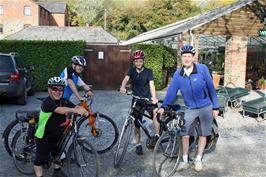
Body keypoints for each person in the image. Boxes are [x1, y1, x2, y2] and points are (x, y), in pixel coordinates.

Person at [157, 44, 219, 172]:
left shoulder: (202, 69)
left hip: (206, 106)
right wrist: (164, 106)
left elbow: (211, 88)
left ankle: (198, 160)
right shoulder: (178, 74)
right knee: (184, 133)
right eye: (184, 56)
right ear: (181, 58)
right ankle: (184, 160)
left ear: (193, 57)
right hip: (190, 108)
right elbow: (172, 91)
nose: (186, 58)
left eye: (189, 56)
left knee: (203, 134)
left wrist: (216, 107)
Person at [34, 77, 89, 177]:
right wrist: (75, 111)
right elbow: (60, 110)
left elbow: (75, 107)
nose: (58, 92)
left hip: (57, 134)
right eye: (54, 89)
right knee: (39, 160)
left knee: (57, 153)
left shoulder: (63, 101)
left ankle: (57, 171)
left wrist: (84, 111)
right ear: (49, 90)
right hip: (44, 136)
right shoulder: (47, 102)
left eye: (60, 89)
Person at [120, 50, 159, 155]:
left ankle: (157, 136)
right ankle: (138, 144)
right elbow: (125, 79)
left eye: (140, 61)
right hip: (136, 100)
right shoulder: (131, 71)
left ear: (143, 61)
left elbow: (151, 85)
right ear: (134, 62)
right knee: (137, 123)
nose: (138, 63)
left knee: (156, 113)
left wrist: (154, 97)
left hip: (148, 99)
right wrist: (123, 86)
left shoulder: (148, 71)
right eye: (136, 61)